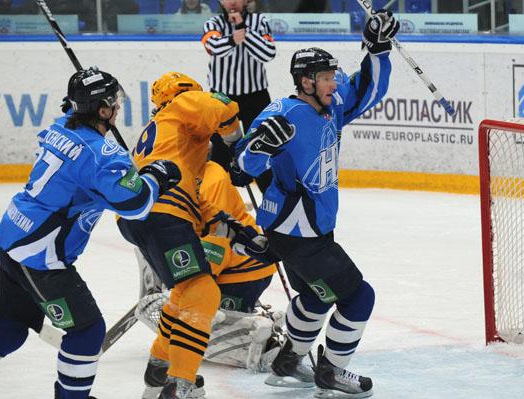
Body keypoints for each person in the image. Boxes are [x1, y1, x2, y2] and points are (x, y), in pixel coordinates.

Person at [236, 10, 399, 398]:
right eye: (326, 78)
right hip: (296, 230)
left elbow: (367, 91)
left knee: (315, 295)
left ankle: (288, 363)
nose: (333, 83)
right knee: (359, 295)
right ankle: (332, 371)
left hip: (310, 226)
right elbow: (241, 169)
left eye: (332, 76)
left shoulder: (331, 103)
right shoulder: (282, 114)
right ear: (306, 81)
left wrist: (377, 49)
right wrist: (258, 147)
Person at [0, 67, 180, 399]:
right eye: (113, 103)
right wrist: (156, 175)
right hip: (40, 256)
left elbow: (87, 165)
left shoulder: (59, 127)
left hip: (11, 237)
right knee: (87, 330)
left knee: (9, 329)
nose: (118, 108)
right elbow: (136, 203)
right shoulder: (101, 156)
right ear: (102, 109)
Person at [116, 71, 275, 399]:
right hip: (165, 215)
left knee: (186, 292)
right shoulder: (180, 105)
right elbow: (226, 108)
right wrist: (238, 147)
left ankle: (160, 363)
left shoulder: (165, 138)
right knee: (203, 294)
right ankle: (180, 383)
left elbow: (200, 206)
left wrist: (240, 233)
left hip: (138, 217)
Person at [134, 159, 284, 398]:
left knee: (199, 301)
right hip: (222, 256)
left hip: (240, 270)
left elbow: (214, 246)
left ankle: (261, 343)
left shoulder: (208, 181)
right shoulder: (182, 170)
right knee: (191, 298)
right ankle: (168, 369)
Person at [201, 0, 275, 193]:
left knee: (262, 150)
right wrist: (234, 38)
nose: (232, 1)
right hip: (221, 98)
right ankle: (218, 203)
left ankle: (272, 203)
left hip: (256, 96)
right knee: (219, 156)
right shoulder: (213, 23)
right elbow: (212, 48)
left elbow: (268, 53)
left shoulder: (260, 21)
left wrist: (244, 30)